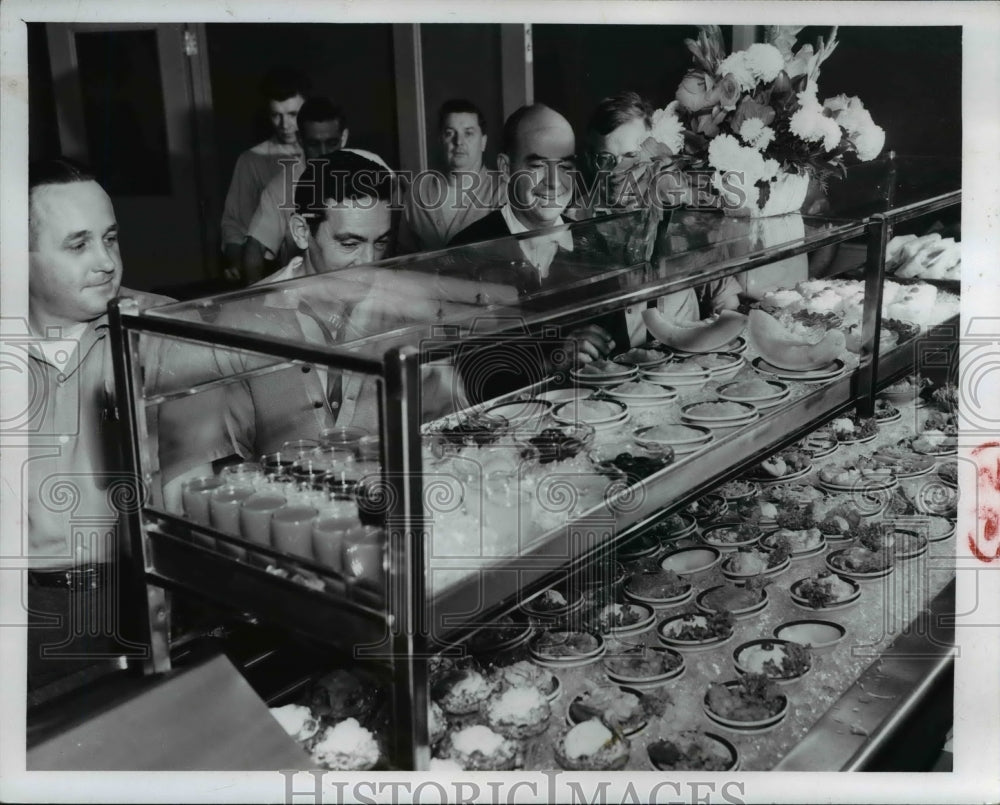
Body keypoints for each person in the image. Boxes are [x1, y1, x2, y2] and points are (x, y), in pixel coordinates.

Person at [25, 158, 223, 693]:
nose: (106, 261)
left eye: (110, 239)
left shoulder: (162, 330)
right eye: (78, 244)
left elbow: (193, 483)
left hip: (140, 591)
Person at [211, 150, 465, 459]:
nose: (369, 263)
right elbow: (226, 462)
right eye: (349, 244)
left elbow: (453, 427)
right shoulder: (242, 319)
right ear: (302, 232)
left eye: (381, 243)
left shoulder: (413, 309)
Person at [241, 96, 349, 282]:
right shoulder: (280, 188)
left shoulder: (368, 174)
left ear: (343, 138)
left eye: (331, 143)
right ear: (300, 140)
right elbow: (255, 249)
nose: (323, 154)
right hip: (305, 293)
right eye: (314, 144)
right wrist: (253, 300)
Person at [220, 66, 310, 282]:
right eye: (276, 115)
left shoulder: (325, 154)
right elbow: (234, 223)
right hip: (274, 270)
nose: (285, 125)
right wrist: (236, 262)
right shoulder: (251, 160)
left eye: (292, 114)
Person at [397, 99, 503, 253]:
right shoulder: (417, 192)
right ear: (441, 140)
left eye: (468, 133)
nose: (459, 141)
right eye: (450, 133)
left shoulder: (503, 191)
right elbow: (403, 257)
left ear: (483, 142)